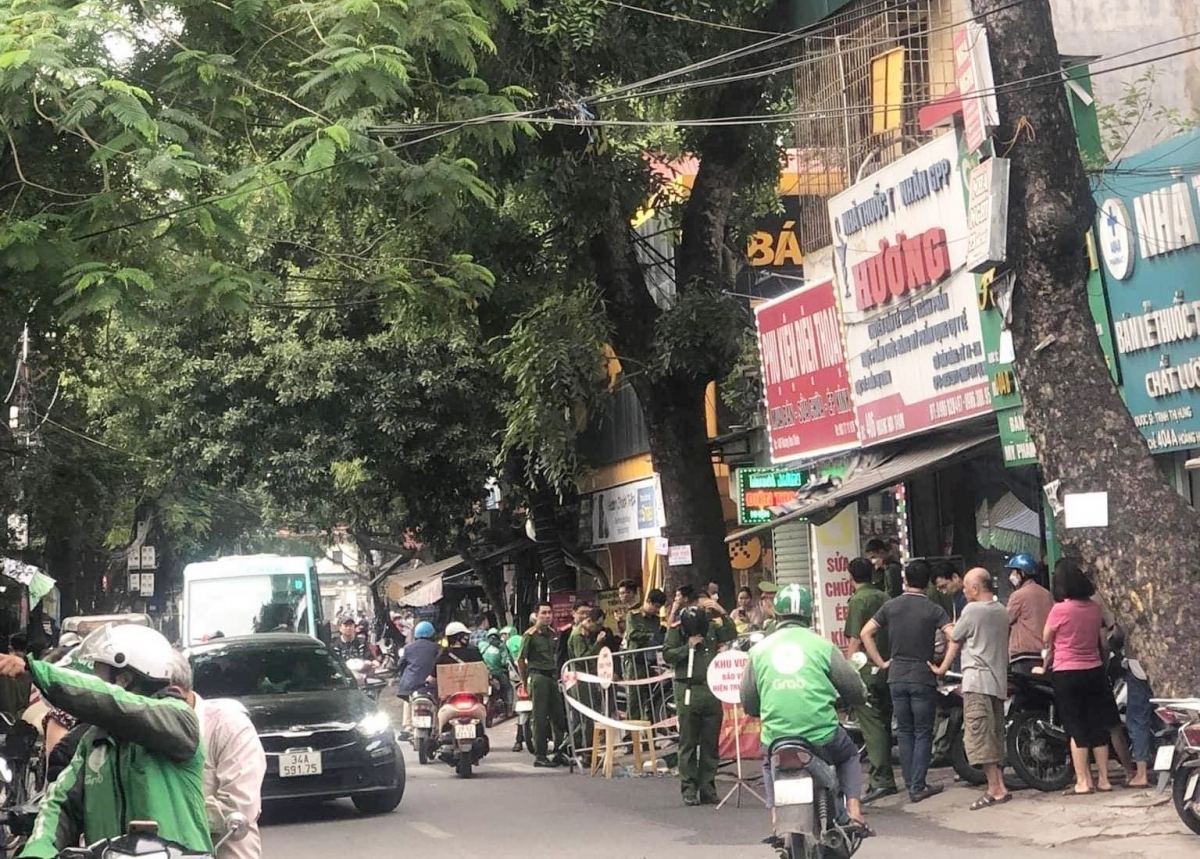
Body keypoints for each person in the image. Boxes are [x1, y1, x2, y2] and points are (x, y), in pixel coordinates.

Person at [0, 625, 211, 858]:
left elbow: (114, 704)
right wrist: (37, 852)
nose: (94, 682)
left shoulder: (178, 721)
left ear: (124, 679)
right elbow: (60, 805)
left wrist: (37, 671)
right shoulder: (93, 741)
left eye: (100, 675)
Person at [743, 585, 870, 841]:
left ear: (777, 614)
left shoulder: (758, 651)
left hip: (777, 738)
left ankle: (777, 816)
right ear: (809, 614)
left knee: (769, 762)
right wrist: (854, 698)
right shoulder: (822, 646)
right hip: (821, 737)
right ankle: (855, 811)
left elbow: (748, 703)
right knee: (848, 755)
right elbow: (855, 690)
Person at [860, 559, 954, 803]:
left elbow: (865, 633)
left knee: (904, 732)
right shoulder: (933, 609)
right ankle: (917, 785)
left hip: (896, 677)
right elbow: (955, 637)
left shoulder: (891, 606)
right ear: (927, 583)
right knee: (923, 731)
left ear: (905, 581)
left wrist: (881, 662)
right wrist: (942, 666)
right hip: (922, 677)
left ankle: (911, 781)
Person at [167, 653, 266, 859]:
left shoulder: (229, 727)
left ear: (174, 693)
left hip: (222, 849)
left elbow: (239, 805)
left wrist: (168, 819)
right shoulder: (139, 734)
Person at [931, 568, 1011, 809]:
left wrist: (941, 669)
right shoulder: (1001, 610)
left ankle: (994, 789)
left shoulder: (972, 610)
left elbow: (955, 638)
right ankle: (1000, 785)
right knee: (994, 734)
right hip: (997, 681)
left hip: (977, 681)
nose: (964, 591)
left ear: (976, 588)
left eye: (966, 587)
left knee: (978, 735)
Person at [1039, 558, 1120, 795]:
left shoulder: (1059, 609)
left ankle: (1083, 781)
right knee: (1097, 726)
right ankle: (1104, 779)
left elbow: (1046, 638)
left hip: (1067, 672)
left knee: (1075, 728)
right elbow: (1102, 642)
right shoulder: (1094, 608)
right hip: (1093, 669)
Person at [663, 590, 736, 805]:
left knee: (710, 742)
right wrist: (687, 647)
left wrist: (722, 613)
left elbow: (731, 634)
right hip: (687, 690)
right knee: (688, 741)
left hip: (711, 690)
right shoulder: (676, 631)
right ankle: (688, 788)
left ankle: (707, 786)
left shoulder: (712, 629)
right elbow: (668, 654)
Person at [843, 557, 897, 804]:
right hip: (888, 665)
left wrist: (844, 669)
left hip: (866, 668)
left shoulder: (858, 600)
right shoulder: (885, 597)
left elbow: (855, 639)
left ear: (850, 577)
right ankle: (887, 777)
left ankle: (881, 780)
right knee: (884, 722)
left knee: (872, 726)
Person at [518, 602, 569, 768]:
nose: (547, 616)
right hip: (537, 677)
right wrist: (525, 681)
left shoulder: (552, 634)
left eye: (549, 613)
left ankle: (559, 751)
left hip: (552, 677)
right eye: (544, 613)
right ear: (536, 615)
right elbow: (521, 659)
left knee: (558, 716)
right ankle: (540, 755)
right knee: (540, 718)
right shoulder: (530, 635)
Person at [623, 589, 666, 722]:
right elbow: (631, 634)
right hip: (636, 663)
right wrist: (650, 636)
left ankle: (649, 738)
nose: (656, 610)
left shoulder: (656, 620)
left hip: (651, 663)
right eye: (655, 606)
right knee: (634, 701)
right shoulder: (633, 616)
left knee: (650, 701)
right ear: (648, 601)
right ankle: (631, 738)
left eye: (659, 608)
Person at [396, 621, 440, 739]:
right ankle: (437, 726)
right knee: (437, 703)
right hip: (431, 684)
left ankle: (408, 726)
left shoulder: (408, 648)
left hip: (411, 685)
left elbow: (400, 665)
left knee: (409, 701)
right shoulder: (437, 648)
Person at [1006, 552, 1054, 658]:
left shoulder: (1018, 595)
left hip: (1023, 653)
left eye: (1014, 572)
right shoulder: (1047, 594)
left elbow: (1006, 620)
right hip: (1045, 652)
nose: (1011, 576)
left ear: (1022, 573)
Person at [481, 629, 513, 712]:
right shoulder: (501, 647)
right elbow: (504, 661)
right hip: (497, 672)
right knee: (508, 688)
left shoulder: (483, 646)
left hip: (485, 674)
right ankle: (509, 709)